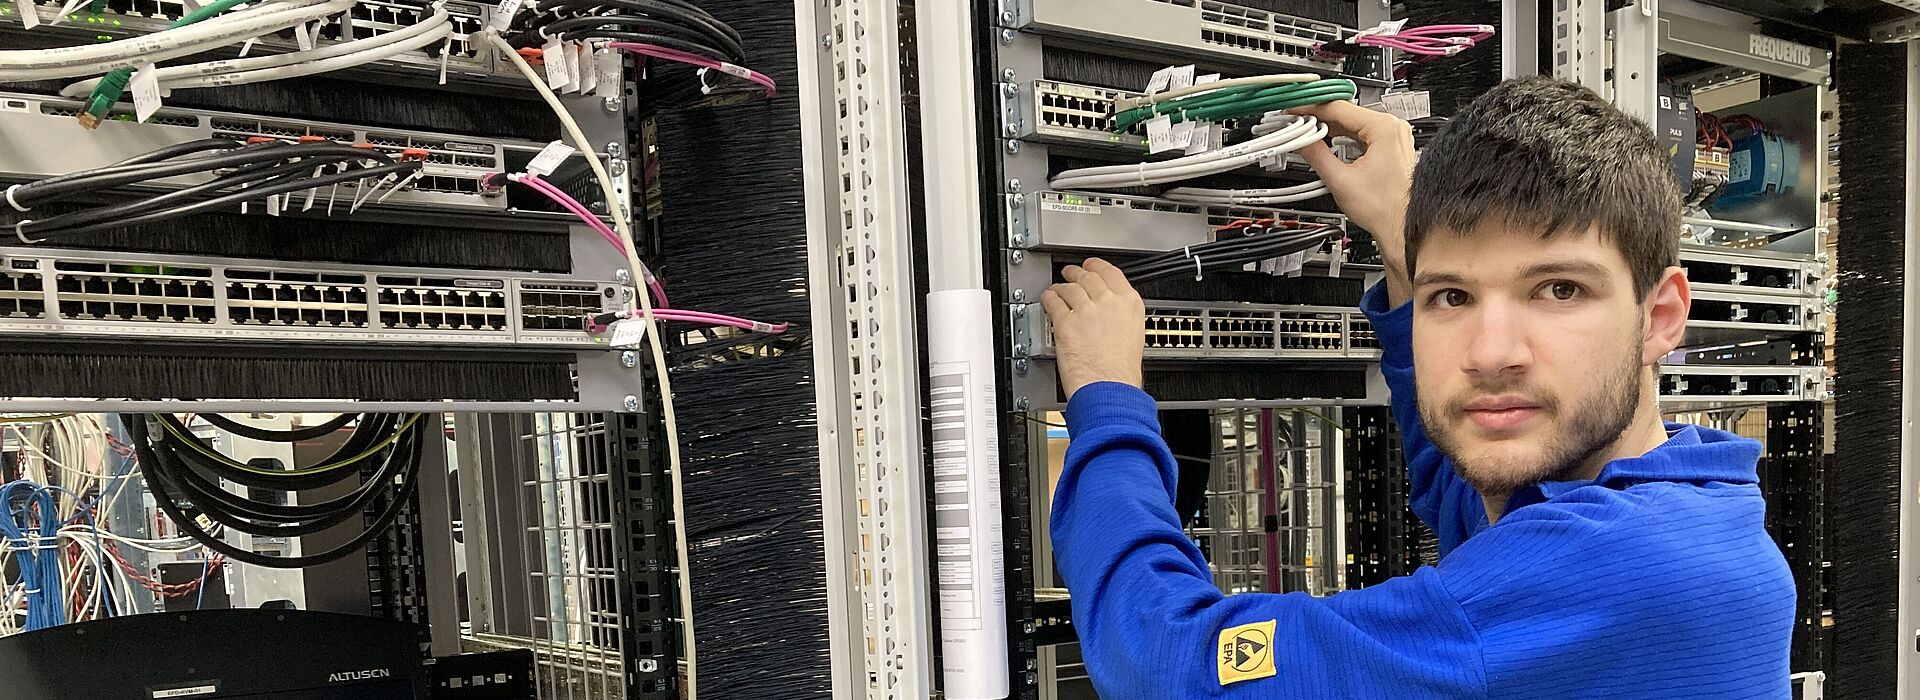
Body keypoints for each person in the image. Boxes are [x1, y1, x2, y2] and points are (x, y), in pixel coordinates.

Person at [1041, 76, 1794, 698]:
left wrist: (1108, 400)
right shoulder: (1694, 502)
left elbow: (1165, 665)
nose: (1491, 355)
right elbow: (1462, 492)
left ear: (1660, 316)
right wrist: (1405, 249)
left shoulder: (1610, 571)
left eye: (1559, 289)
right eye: (1452, 297)